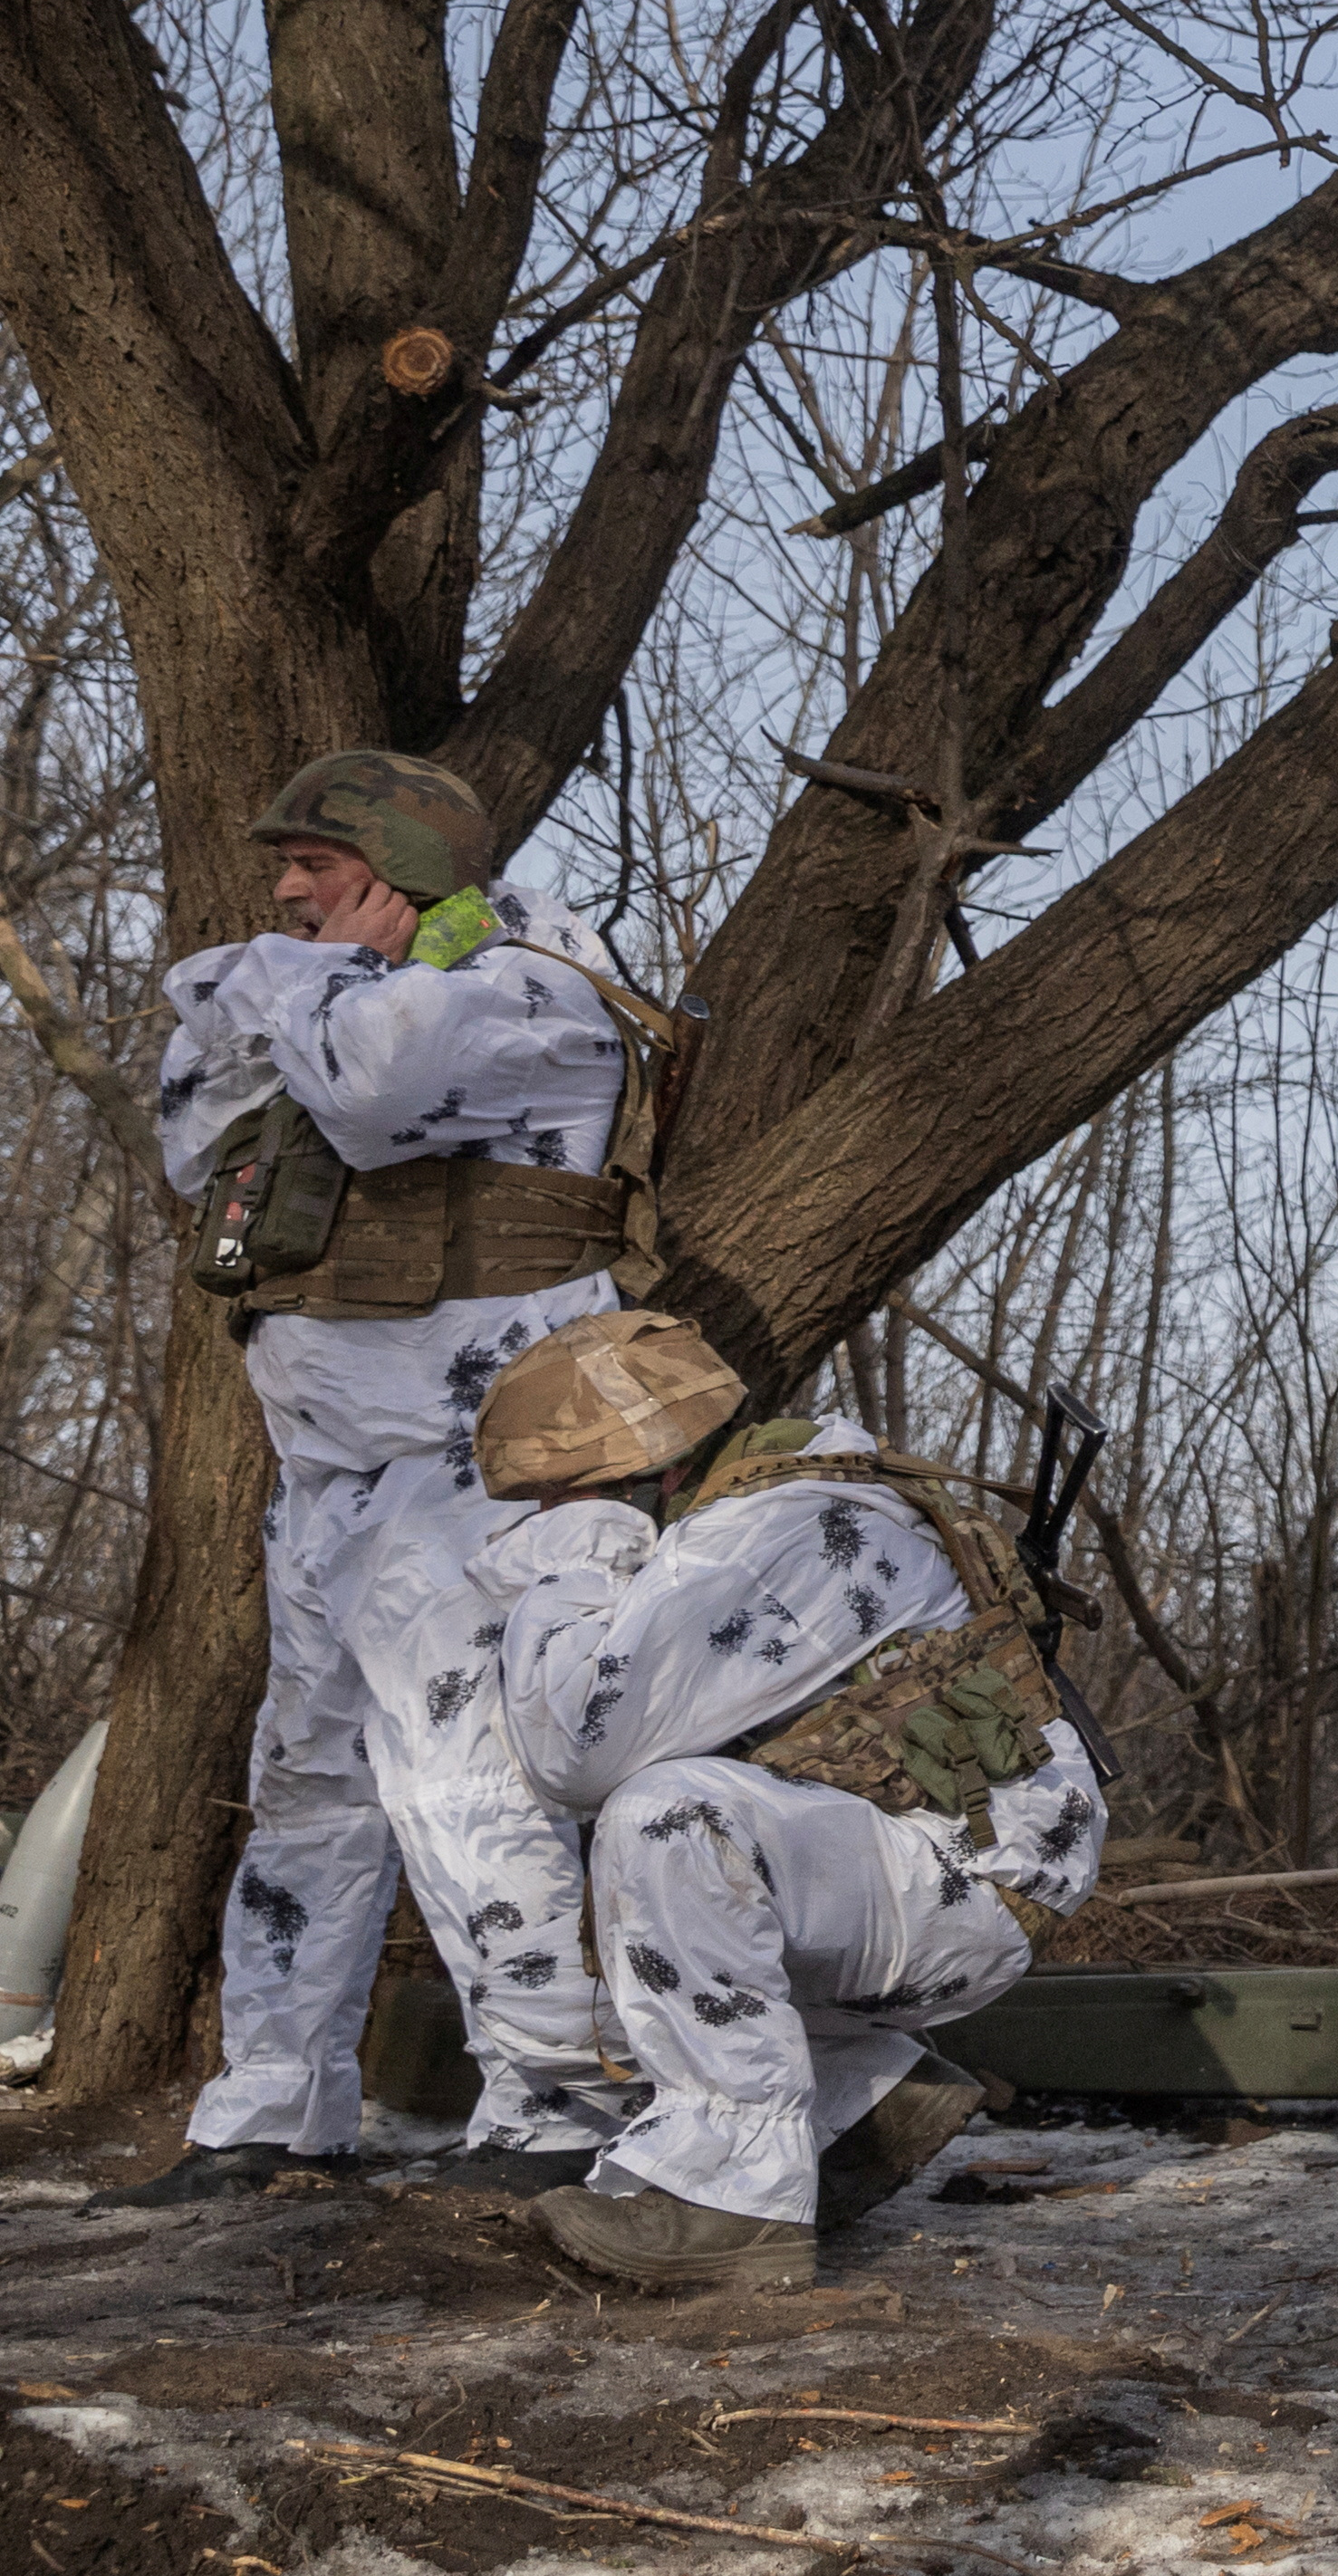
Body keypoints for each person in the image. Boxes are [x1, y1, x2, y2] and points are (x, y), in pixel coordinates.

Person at [96, 752, 669, 2208]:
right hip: (332, 1473)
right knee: (308, 1785)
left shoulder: (532, 989)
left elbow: (370, 1090)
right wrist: (300, 984)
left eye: (317, 867)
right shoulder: (362, 989)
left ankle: (551, 2104)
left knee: (465, 1773)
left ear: (406, 873)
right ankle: (276, 2103)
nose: (284, 896)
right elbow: (195, 1127)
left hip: (483, 1466)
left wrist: (279, 981)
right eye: (282, 870)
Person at [463, 1311, 1107, 2291]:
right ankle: (863, 2102)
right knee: (589, 1931)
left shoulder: (772, 1533)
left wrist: (575, 1556)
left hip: (963, 1884)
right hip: (921, 1866)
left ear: (639, 1473)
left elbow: (571, 1752)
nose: (544, 1514)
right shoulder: (782, 1500)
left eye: (557, 1494)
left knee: (668, 1817)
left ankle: (733, 2199)